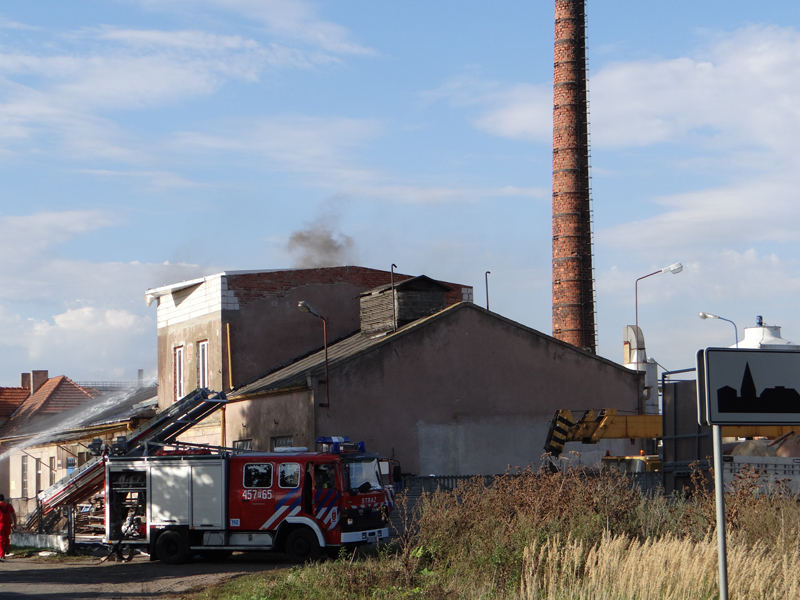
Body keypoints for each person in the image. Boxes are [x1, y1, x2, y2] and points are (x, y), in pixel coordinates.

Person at [0, 493, 17, 561]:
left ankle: (1, 554)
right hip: (8, 524)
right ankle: (7, 547)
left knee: (1, 539)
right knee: (7, 537)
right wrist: (15, 524)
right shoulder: (9, 506)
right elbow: (13, 515)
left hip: (0, 524)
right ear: (3, 499)